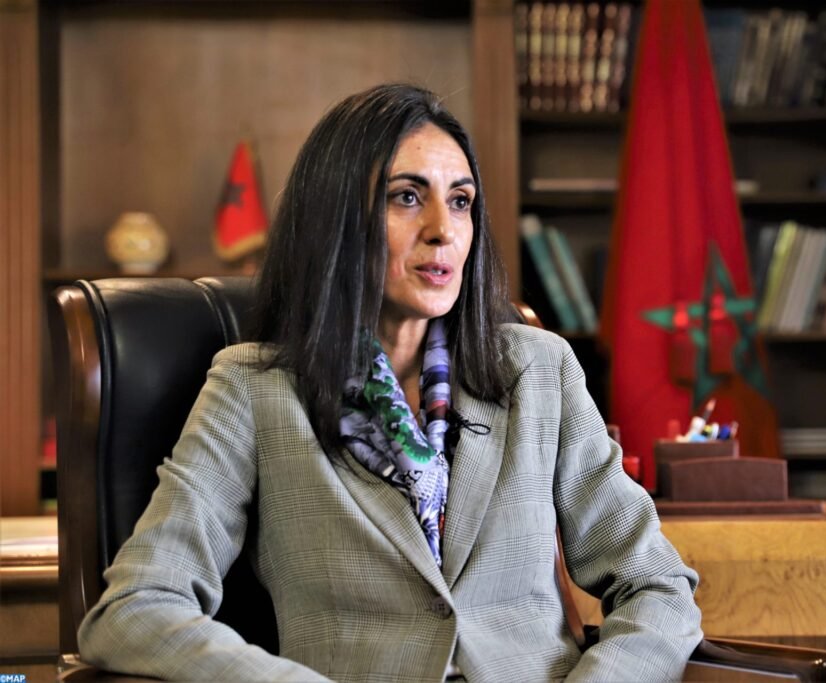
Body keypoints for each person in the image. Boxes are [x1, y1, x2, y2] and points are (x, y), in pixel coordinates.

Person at [77, 83, 703, 682]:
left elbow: (656, 585)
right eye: (406, 197)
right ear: (335, 219)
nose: (443, 229)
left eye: (460, 201)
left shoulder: (540, 371)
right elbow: (136, 608)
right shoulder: (254, 390)